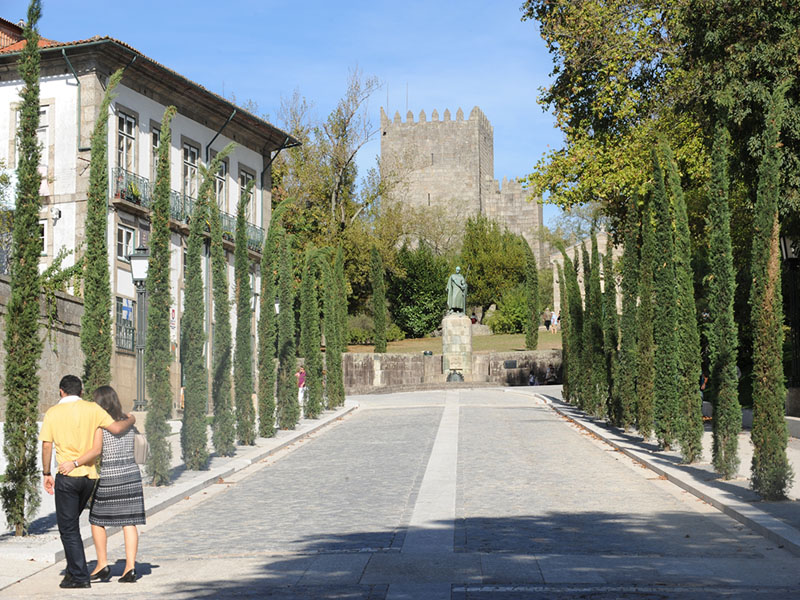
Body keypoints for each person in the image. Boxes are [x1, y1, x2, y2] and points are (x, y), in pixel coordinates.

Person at [39, 375, 135, 589]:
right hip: (89, 478)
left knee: (68, 528)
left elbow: (47, 446)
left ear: (61, 391)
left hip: (67, 476)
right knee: (71, 525)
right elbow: (118, 429)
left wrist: (46, 473)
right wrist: (132, 419)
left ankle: (79, 575)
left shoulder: (53, 413)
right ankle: (74, 572)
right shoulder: (93, 409)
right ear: (81, 392)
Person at [60, 385, 145, 583]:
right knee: (129, 522)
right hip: (131, 474)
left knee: (97, 520)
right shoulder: (127, 420)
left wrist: (74, 463)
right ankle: (130, 568)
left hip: (110, 475)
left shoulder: (100, 424)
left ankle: (102, 564)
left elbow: (96, 450)